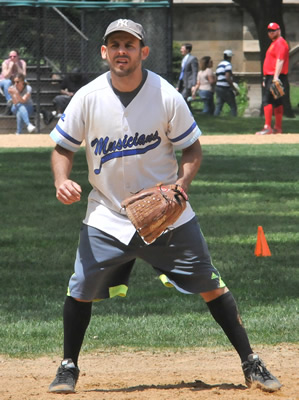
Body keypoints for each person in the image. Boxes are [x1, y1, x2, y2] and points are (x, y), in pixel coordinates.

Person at [48, 19, 282, 394]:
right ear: (104, 52)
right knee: (80, 287)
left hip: (168, 216)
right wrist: (62, 181)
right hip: (107, 214)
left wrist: (180, 186)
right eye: (115, 44)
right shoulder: (88, 97)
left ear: (144, 51)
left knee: (210, 283)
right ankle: (67, 366)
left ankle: (250, 361)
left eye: (130, 44)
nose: (121, 50)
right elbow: (63, 147)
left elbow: (192, 148)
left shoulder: (166, 95)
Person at [256, 22, 289, 135]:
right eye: (269, 31)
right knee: (277, 101)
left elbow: (280, 60)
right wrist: (266, 78)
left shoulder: (280, 43)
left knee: (267, 100)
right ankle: (277, 128)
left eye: (273, 30)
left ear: (279, 30)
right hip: (272, 76)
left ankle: (267, 127)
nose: (271, 33)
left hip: (275, 76)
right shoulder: (275, 43)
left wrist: (275, 77)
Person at [0, 50, 27, 115]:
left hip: (16, 81)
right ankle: (10, 101)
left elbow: (23, 76)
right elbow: (6, 76)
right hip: (3, 81)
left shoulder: (22, 63)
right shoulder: (5, 63)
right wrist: (10, 67)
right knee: (8, 82)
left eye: (14, 56)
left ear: (18, 56)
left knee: (25, 82)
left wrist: (17, 66)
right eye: (10, 56)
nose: (12, 58)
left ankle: (23, 100)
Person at [214, 50, 237, 117]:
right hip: (225, 88)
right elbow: (227, 77)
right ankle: (234, 118)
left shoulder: (219, 64)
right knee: (233, 106)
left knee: (219, 105)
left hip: (218, 87)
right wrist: (234, 88)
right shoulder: (228, 65)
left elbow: (217, 76)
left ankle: (215, 117)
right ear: (229, 57)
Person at [176, 43, 198, 110]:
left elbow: (194, 72)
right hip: (181, 82)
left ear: (187, 50)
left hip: (188, 82)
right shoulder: (184, 59)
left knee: (184, 98)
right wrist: (178, 85)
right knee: (183, 99)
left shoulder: (192, 59)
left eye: (182, 48)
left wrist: (194, 85)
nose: (181, 50)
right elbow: (182, 72)